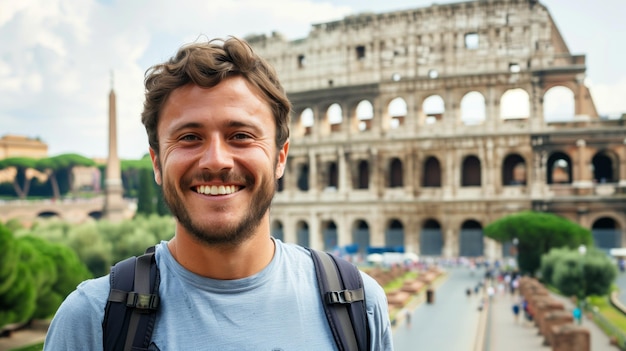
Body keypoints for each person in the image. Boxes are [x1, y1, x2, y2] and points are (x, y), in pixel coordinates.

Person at [43, 37, 393, 350]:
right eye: (189, 137)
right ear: (157, 163)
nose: (216, 160)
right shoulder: (91, 320)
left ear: (280, 158)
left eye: (240, 135)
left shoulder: (360, 306)